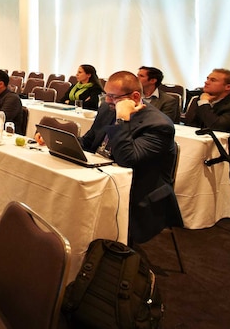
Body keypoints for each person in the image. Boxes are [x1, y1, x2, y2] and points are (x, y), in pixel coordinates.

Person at [75, 71, 182, 245]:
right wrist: (60, 141)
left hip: (139, 190)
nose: (107, 100)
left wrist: (122, 119)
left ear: (135, 96)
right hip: (104, 175)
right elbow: (88, 141)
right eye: (106, 95)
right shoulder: (106, 109)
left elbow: (127, 159)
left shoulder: (159, 125)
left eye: (113, 96)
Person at [184, 68, 230, 174]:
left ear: (228, 87)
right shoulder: (201, 99)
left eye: (213, 80)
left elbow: (216, 127)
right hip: (203, 149)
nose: (206, 82)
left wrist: (204, 103)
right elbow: (191, 126)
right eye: (207, 79)